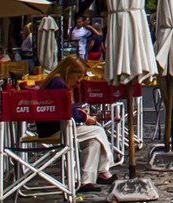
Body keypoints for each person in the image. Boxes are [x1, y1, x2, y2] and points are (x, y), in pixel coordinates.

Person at [40, 56, 117, 193]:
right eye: (78, 77)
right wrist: (84, 116)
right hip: (56, 131)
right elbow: (63, 111)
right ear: (70, 71)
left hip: (56, 127)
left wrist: (79, 112)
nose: (78, 82)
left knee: (94, 141)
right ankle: (104, 171)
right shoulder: (58, 83)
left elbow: (62, 108)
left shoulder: (56, 81)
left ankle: (86, 181)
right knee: (98, 131)